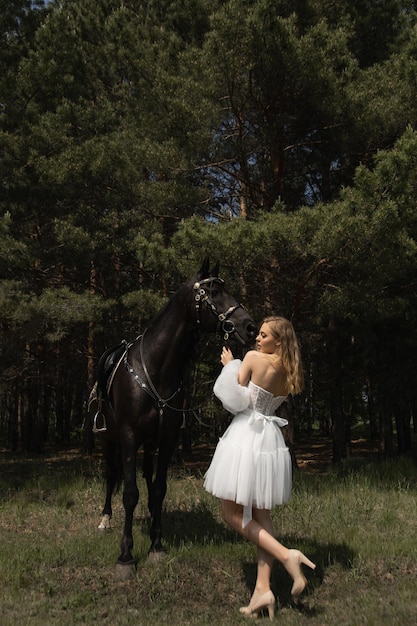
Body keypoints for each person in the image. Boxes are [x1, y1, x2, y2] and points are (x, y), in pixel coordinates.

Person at [204, 316, 315, 621]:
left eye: (264, 335)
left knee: (230, 514)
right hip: (269, 440)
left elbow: (236, 400)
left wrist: (229, 364)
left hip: (246, 435)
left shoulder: (252, 359)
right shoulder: (289, 369)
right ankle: (262, 591)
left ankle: (286, 555)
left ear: (277, 341)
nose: (257, 339)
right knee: (262, 518)